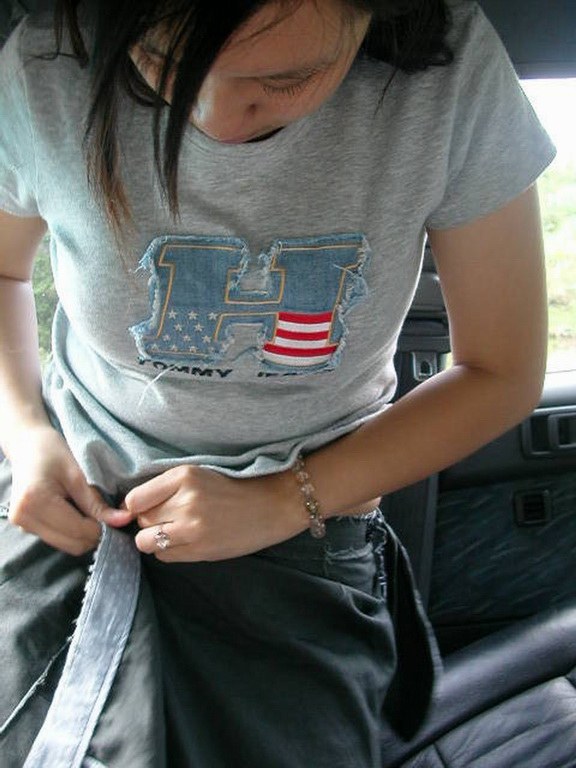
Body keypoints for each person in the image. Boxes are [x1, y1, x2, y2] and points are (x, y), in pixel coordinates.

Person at [0, 0, 555, 765]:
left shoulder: (447, 75)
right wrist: (25, 434)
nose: (215, 117)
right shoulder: (50, 59)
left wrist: (284, 500)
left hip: (307, 519)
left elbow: (502, 370)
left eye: (284, 80)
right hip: (74, 497)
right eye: (160, 65)